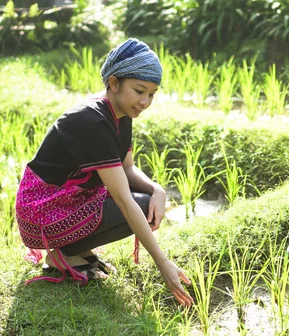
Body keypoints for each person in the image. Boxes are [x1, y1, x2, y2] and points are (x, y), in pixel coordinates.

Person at [15, 38, 194, 307]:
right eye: (139, 90)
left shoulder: (122, 113)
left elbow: (127, 167)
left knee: (147, 200)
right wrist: (163, 264)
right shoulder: (94, 120)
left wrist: (157, 189)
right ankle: (61, 253)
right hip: (41, 209)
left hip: (67, 201)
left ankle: (72, 250)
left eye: (152, 94)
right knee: (139, 206)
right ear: (114, 83)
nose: (145, 101)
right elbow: (123, 199)